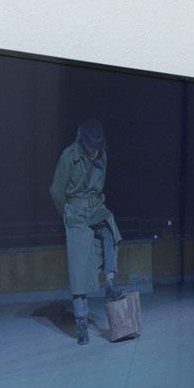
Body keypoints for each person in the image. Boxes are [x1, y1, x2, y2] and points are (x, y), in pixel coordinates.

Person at [50, 118, 128, 345]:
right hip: (75, 213)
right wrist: (68, 214)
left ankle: (110, 284)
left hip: (95, 208)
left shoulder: (102, 155)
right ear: (82, 141)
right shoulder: (68, 158)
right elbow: (56, 191)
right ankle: (82, 322)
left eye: (98, 146)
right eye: (91, 146)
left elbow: (100, 184)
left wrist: (95, 205)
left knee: (110, 229)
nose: (95, 151)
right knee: (79, 268)